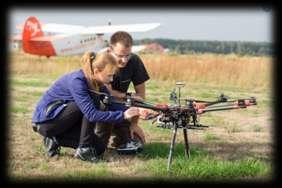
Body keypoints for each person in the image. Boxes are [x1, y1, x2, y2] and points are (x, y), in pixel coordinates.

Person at [31, 52, 140, 162]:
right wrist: (123, 115)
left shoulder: (97, 83)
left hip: (63, 122)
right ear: (97, 71)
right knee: (91, 102)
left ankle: (55, 139)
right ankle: (84, 150)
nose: (111, 79)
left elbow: (111, 102)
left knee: (99, 149)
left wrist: (136, 111)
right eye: (109, 75)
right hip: (47, 122)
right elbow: (91, 115)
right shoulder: (77, 81)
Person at [95, 31, 150, 154]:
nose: (124, 60)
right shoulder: (102, 60)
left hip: (121, 108)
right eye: (120, 56)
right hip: (100, 108)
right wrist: (126, 96)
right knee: (98, 147)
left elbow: (140, 96)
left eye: (128, 55)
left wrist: (134, 124)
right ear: (110, 50)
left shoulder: (135, 61)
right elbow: (107, 93)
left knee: (136, 145)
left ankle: (122, 134)